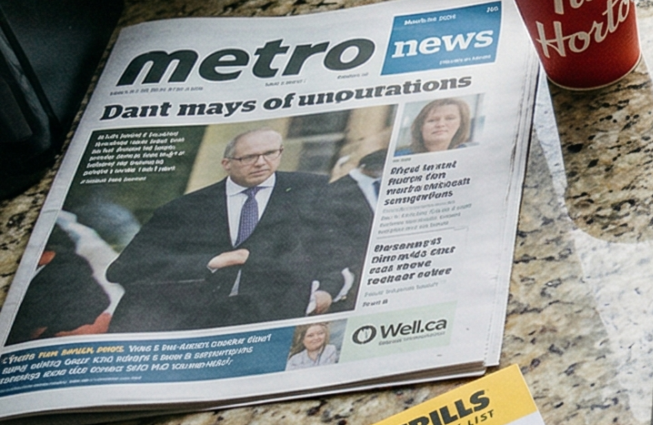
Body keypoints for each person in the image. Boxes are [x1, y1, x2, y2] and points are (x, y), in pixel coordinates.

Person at [103, 127, 376, 333]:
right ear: (227, 163)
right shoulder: (185, 208)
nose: (261, 163)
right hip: (188, 323)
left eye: (270, 153)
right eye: (248, 157)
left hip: (271, 322)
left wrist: (327, 291)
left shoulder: (312, 190)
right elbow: (123, 269)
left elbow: (341, 255)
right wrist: (213, 262)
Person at [395, 98, 474, 157]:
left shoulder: (468, 154)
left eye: (450, 118)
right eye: (432, 120)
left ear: (461, 124)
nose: (440, 124)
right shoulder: (401, 156)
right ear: (420, 126)